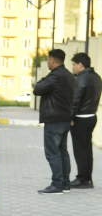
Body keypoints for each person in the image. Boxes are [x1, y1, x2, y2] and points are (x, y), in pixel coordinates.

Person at [33, 49, 77, 194]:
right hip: (65, 119)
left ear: (52, 60)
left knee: (52, 152)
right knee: (62, 151)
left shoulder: (55, 76)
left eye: (47, 59)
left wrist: (43, 79)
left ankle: (56, 184)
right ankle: (65, 183)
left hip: (54, 119)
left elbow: (37, 89)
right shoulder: (70, 76)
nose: (47, 62)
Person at [71, 53, 101, 189]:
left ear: (80, 65)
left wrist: (71, 117)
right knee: (87, 149)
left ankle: (82, 178)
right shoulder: (96, 77)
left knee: (80, 150)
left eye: (73, 64)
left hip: (80, 119)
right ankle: (87, 178)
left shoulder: (82, 79)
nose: (72, 67)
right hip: (92, 116)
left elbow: (76, 99)